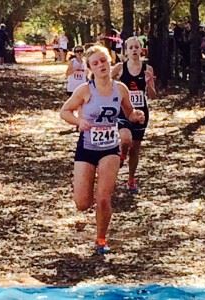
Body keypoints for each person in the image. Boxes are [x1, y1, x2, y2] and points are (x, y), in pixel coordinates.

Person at [60, 45, 145, 254]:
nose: (101, 66)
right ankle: (91, 211)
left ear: (109, 61)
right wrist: (78, 122)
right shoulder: (85, 90)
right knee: (82, 203)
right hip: (87, 147)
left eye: (103, 61)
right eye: (95, 63)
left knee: (104, 197)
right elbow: (64, 111)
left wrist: (136, 116)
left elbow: (128, 112)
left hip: (110, 147)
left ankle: (100, 240)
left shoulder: (120, 89)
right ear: (90, 68)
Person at [111, 36, 156, 193]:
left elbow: (153, 95)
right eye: (131, 48)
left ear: (141, 50)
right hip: (123, 111)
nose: (134, 50)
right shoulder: (119, 68)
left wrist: (149, 83)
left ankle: (131, 180)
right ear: (126, 51)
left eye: (137, 47)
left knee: (135, 149)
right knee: (125, 139)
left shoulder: (147, 69)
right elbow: (105, 83)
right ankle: (122, 155)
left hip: (141, 113)